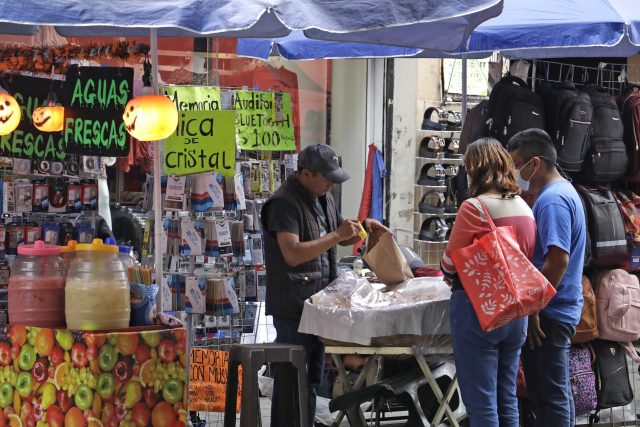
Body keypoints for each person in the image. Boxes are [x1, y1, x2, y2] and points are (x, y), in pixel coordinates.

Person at [261, 143, 385, 427]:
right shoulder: (283, 203)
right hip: (293, 306)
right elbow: (292, 254)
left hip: (319, 302)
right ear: (306, 173)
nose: (332, 183)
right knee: (292, 378)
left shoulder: (323, 196)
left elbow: (340, 236)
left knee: (312, 378)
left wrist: (362, 230)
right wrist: (336, 235)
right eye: (327, 177)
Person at [440, 138, 536, 426]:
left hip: (478, 310)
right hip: (516, 312)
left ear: (475, 169)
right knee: (506, 398)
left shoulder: (474, 207)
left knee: (481, 403)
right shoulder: (524, 207)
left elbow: (449, 262)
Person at [507, 128, 586, 427]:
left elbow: (558, 259)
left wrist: (534, 306)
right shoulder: (562, 193)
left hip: (550, 315)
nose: (515, 173)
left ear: (535, 164)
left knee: (551, 397)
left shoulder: (552, 200)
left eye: (517, 164)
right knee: (546, 395)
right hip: (554, 310)